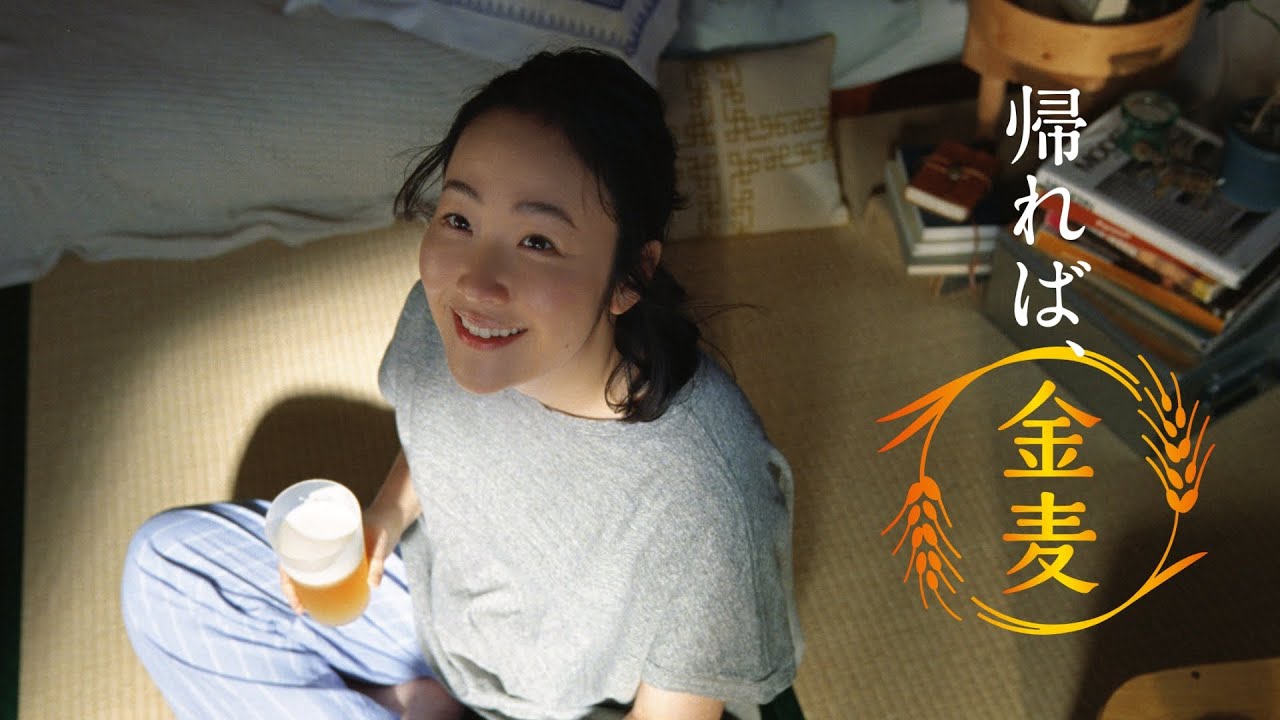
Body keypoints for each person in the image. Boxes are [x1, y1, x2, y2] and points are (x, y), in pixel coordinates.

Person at [121, 48, 802, 720]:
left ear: (630, 276)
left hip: (565, 705)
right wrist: (385, 516)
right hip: (433, 616)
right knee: (168, 568)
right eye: (460, 220)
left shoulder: (707, 492)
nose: (476, 284)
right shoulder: (446, 316)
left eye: (538, 241)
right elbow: (435, 437)